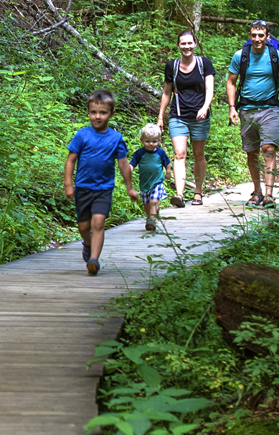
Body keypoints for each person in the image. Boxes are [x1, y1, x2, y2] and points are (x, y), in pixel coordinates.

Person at [64, 89, 139, 276]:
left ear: (112, 114)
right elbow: (71, 160)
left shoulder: (116, 138)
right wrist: (68, 184)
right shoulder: (82, 135)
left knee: (98, 222)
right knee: (83, 226)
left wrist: (130, 188)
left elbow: (123, 165)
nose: (97, 116)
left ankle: (94, 260)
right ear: (88, 112)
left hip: (104, 188)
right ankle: (87, 244)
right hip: (83, 187)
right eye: (93, 112)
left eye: (103, 112)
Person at [226, 20, 279, 209]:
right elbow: (231, 82)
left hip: (270, 109)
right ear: (249, 36)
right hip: (247, 109)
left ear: (267, 36)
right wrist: (232, 107)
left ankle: (269, 194)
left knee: (269, 150)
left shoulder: (276, 56)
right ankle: (257, 191)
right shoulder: (240, 56)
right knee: (252, 153)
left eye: (261, 35)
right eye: (254, 35)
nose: (257, 39)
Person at [157, 30, 215, 207]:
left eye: (190, 43)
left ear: (195, 44)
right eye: (183, 43)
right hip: (178, 116)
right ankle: (179, 195)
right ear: (178, 45)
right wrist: (161, 116)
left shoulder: (204, 64)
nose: (187, 47)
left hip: (200, 116)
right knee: (179, 153)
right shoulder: (172, 66)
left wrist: (204, 108)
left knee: (198, 154)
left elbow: (209, 90)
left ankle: (198, 192)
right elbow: (167, 92)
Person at [129, 124, 172, 232]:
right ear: (142, 140)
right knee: (146, 204)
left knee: (153, 201)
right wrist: (129, 170)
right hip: (144, 184)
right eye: (147, 141)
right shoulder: (140, 153)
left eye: (154, 141)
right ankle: (151, 217)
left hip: (157, 182)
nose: (151, 144)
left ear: (159, 140)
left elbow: (167, 163)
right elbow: (132, 164)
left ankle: (152, 220)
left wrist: (168, 172)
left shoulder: (160, 153)